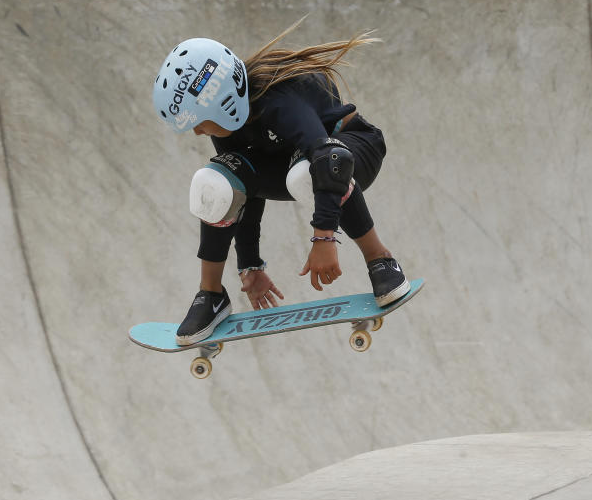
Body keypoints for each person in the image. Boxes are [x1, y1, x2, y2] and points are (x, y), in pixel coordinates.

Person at [152, 19, 410, 345]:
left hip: (354, 150)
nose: (198, 132)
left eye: (199, 122)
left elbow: (332, 159)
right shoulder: (230, 126)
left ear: (221, 105)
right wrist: (250, 266)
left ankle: (381, 260)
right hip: (306, 164)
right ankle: (211, 296)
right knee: (215, 180)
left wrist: (323, 238)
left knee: (311, 169)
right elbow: (245, 190)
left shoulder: (279, 100)